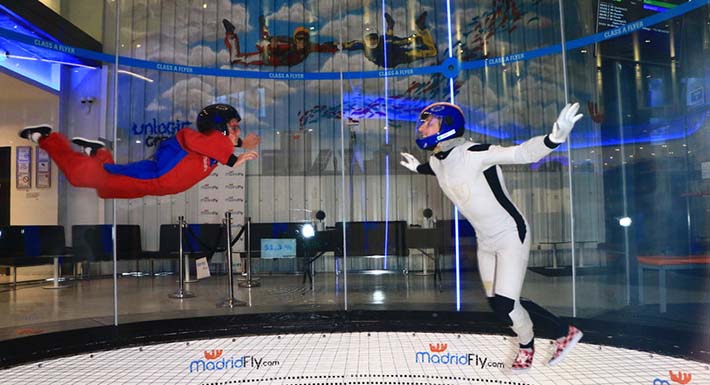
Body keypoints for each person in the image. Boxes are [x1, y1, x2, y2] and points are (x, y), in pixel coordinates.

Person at [400, 102, 584, 373]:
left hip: (511, 235)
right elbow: (437, 169)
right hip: (485, 241)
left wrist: (554, 138)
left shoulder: (474, 152)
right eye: (422, 122)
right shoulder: (437, 161)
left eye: (429, 122)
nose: (421, 126)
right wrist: (418, 169)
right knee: (500, 305)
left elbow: (522, 153)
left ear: (447, 126)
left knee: (507, 304)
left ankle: (543, 340)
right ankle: (547, 336)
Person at [18, 104, 259, 199]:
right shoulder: (197, 140)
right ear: (219, 128)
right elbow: (200, 141)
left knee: (103, 189)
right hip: (148, 179)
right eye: (234, 127)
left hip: (151, 185)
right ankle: (47, 137)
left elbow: (215, 146)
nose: (238, 131)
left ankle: (99, 152)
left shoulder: (215, 147)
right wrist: (232, 158)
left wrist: (238, 147)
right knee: (79, 176)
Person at [223, 17, 338, 67]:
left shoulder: (309, 47)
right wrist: (270, 39)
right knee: (265, 41)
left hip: (271, 58)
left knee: (236, 59)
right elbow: (273, 39)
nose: (301, 41)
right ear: (295, 38)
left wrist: (343, 45)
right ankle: (231, 34)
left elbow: (325, 46)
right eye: (299, 38)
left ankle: (231, 35)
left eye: (304, 39)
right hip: (271, 53)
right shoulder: (289, 41)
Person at [342, 12, 438, 68]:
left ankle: (421, 29)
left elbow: (401, 42)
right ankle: (420, 31)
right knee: (431, 52)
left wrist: (413, 38)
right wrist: (332, 46)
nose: (372, 41)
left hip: (397, 52)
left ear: (377, 37)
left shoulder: (383, 40)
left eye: (374, 38)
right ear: (365, 39)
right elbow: (346, 45)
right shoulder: (362, 44)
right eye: (369, 39)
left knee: (429, 50)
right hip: (391, 61)